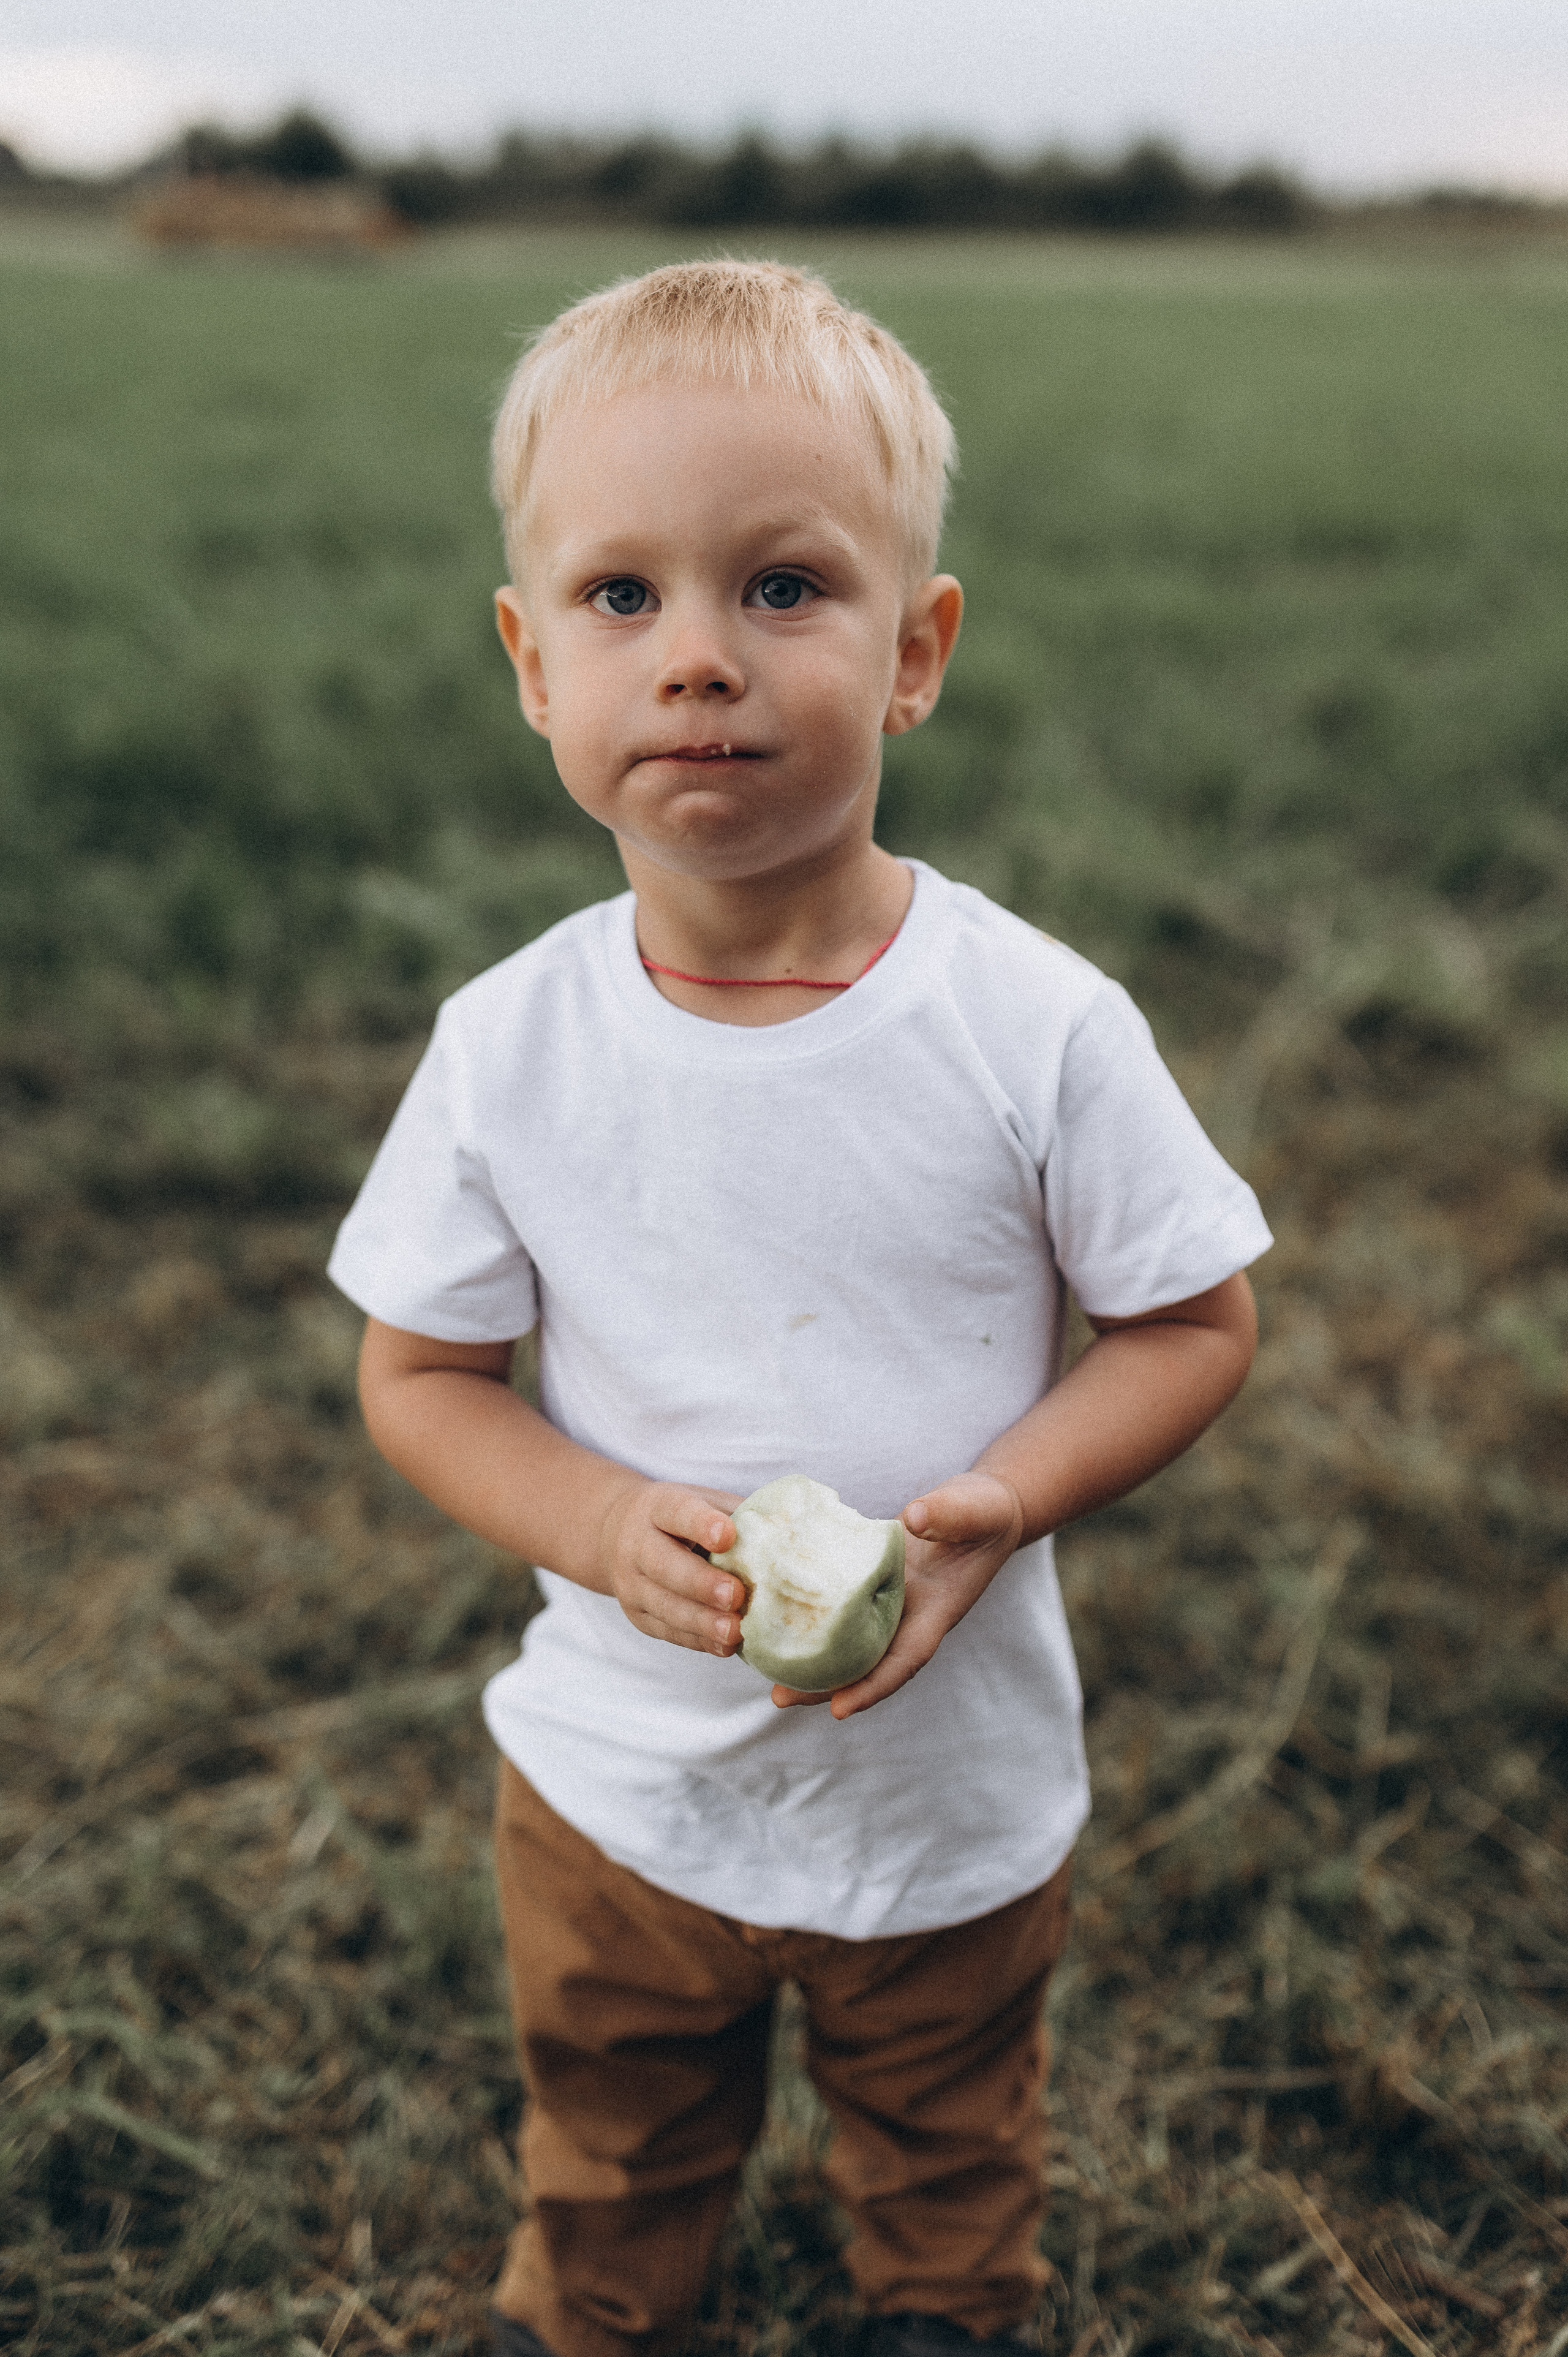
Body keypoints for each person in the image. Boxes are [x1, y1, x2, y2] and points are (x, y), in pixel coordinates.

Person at [327, 259, 1271, 2357]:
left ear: (915, 651)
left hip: (949, 1795)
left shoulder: (1032, 1027)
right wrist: (594, 1521)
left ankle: (941, 2315)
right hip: (620, 1790)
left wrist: (1009, 1495)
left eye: (782, 588)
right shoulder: (509, 1047)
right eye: (620, 597)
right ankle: (597, 2316)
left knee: (947, 2147)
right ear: (530, 664)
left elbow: (1195, 1324)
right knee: (614, 2135)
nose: (697, 659)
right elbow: (421, 1376)